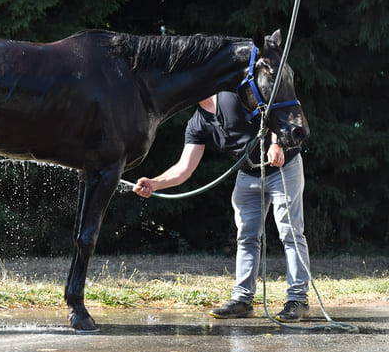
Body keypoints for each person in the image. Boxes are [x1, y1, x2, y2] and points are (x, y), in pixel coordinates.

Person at [133, 91, 311, 322]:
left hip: (283, 167)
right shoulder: (198, 123)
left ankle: (298, 300)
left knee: (290, 233)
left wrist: (277, 144)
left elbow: (275, 108)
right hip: (248, 174)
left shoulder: (233, 96)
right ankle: (242, 300)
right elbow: (184, 168)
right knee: (246, 236)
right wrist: (154, 183)